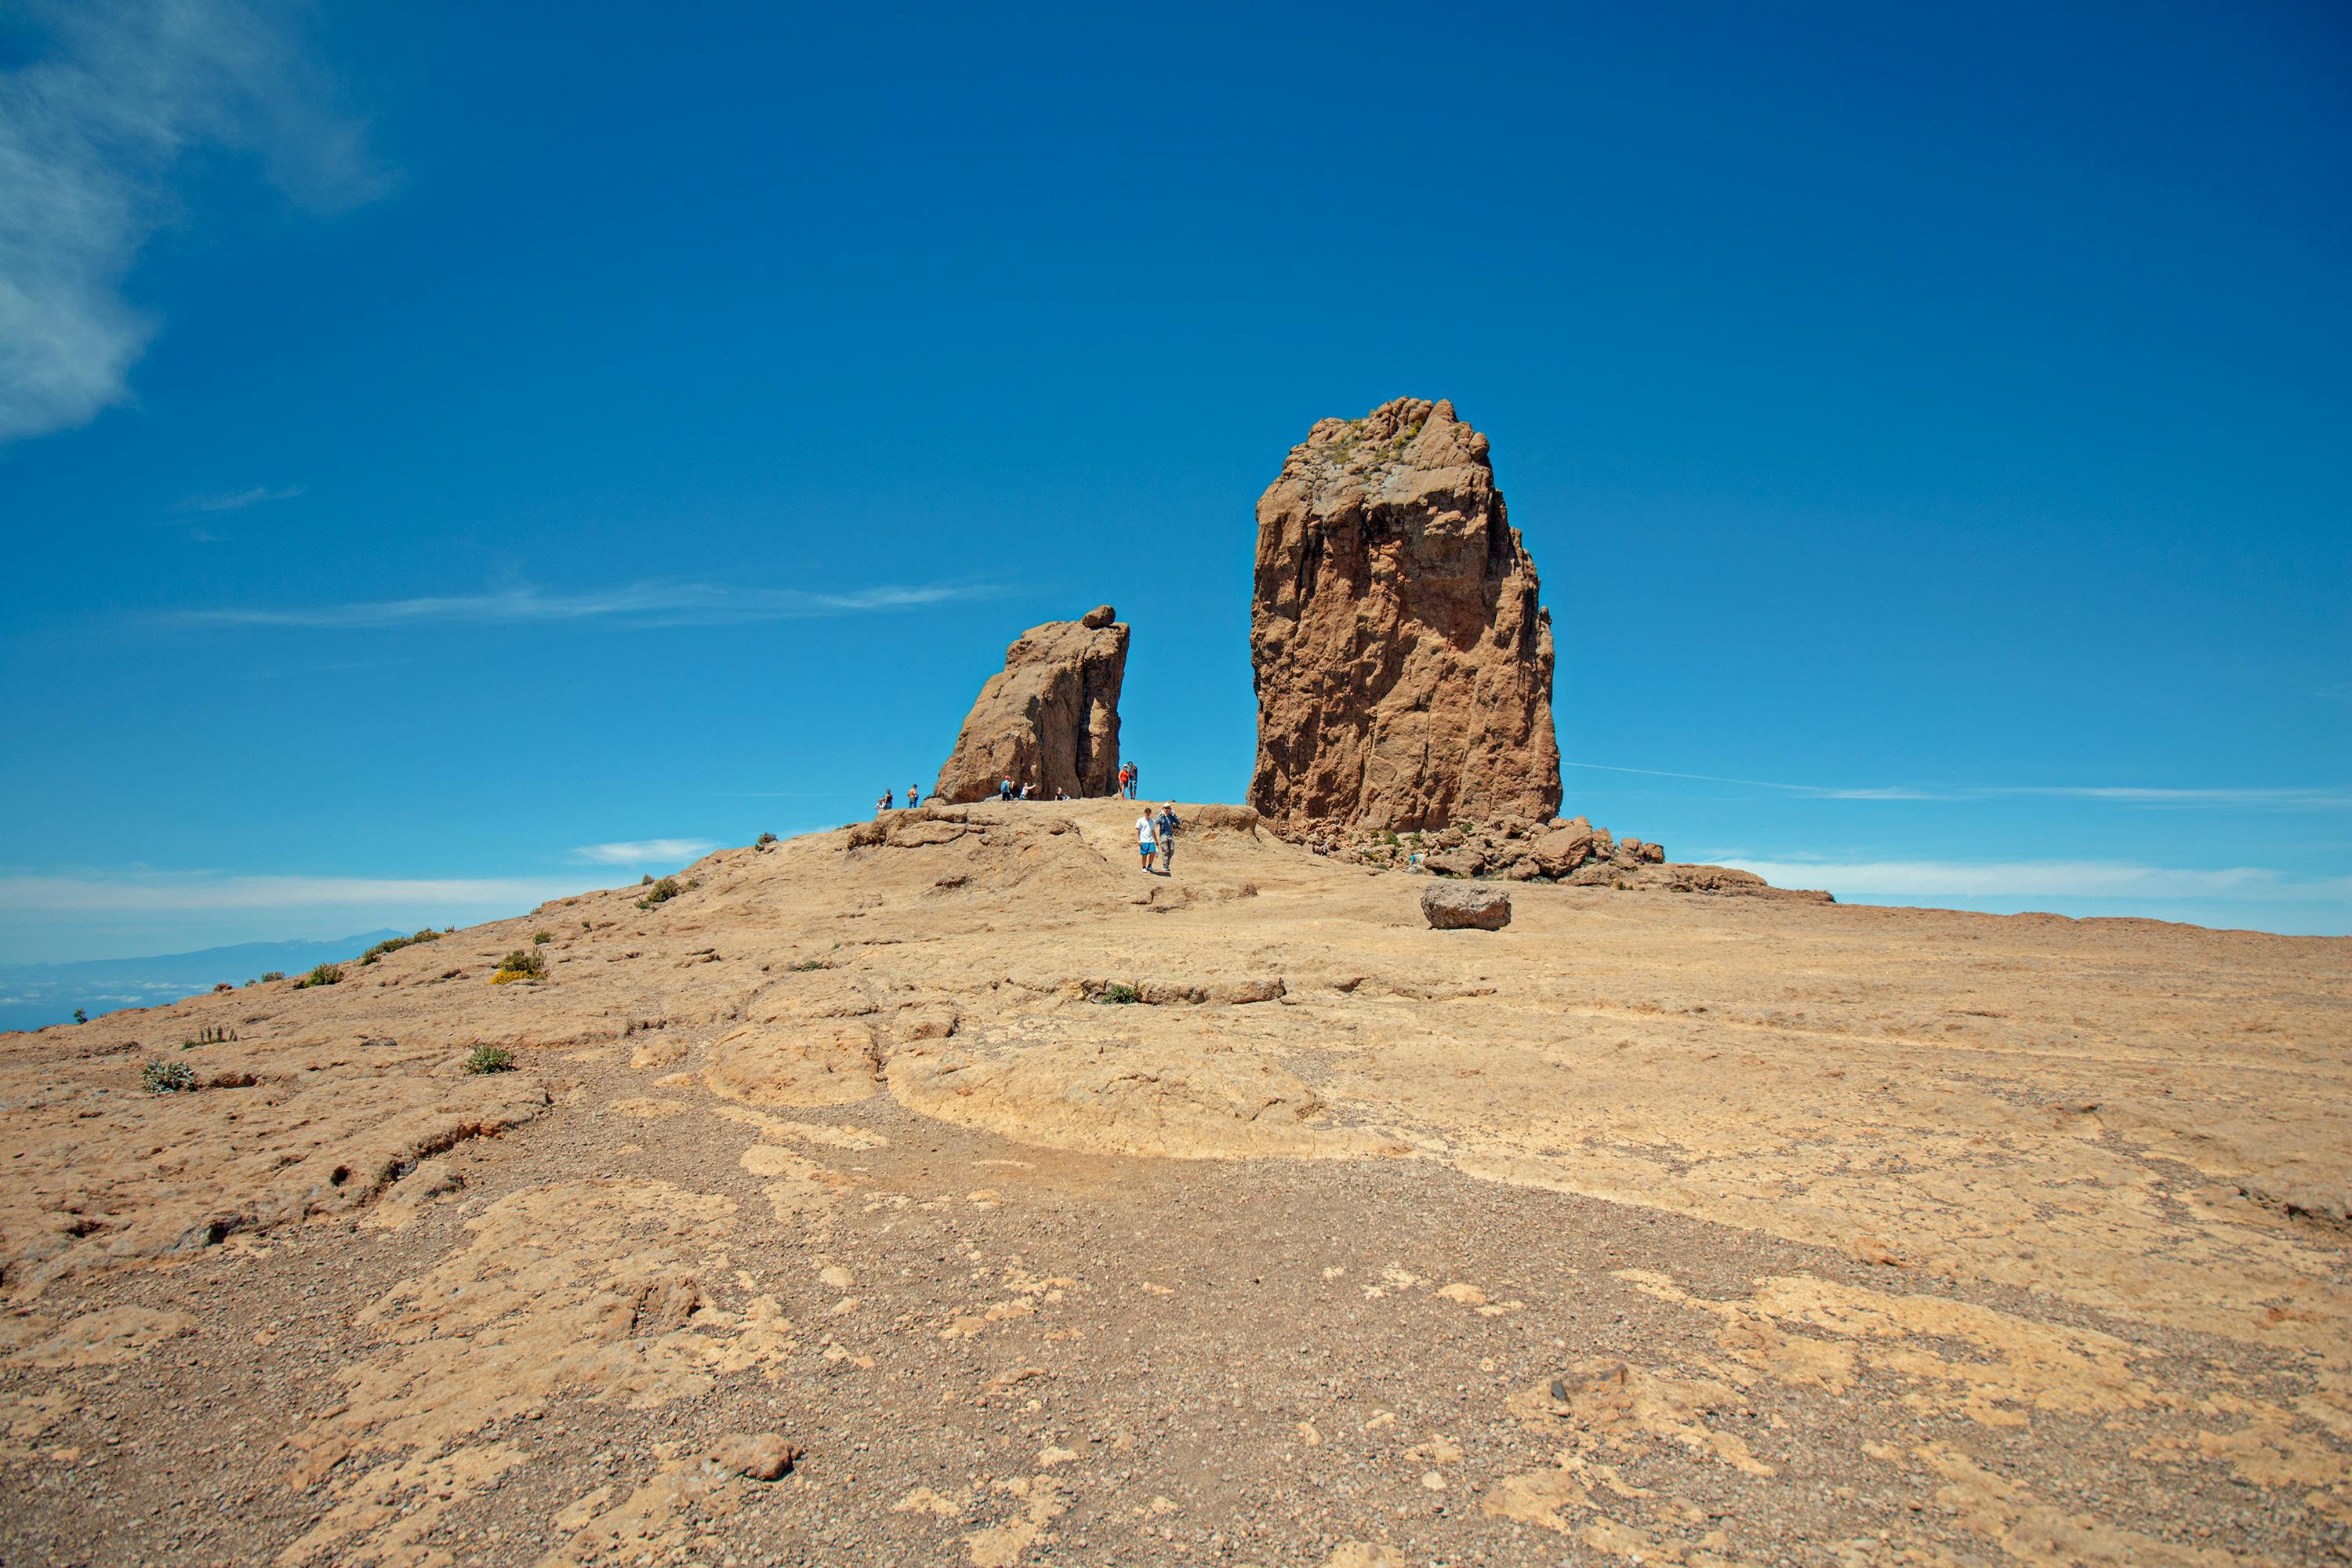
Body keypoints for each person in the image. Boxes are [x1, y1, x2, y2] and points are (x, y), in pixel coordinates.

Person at [1154, 800, 1181, 873]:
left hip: (1170, 834)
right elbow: (1156, 822)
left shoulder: (1171, 816)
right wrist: (1162, 815)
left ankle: (1166, 864)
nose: (1167, 809)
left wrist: (1174, 815)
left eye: (1168, 808)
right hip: (1163, 835)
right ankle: (1165, 865)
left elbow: (1178, 822)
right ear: (1163, 808)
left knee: (1172, 850)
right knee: (1165, 850)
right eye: (1166, 808)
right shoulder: (1161, 815)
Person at [1135, 808, 1157, 873]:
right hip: (1143, 840)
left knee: (1153, 852)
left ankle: (1149, 866)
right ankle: (1144, 867)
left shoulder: (1152, 821)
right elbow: (1137, 830)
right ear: (1144, 813)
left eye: (1149, 813)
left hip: (1151, 840)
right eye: (1147, 813)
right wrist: (1138, 840)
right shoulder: (1140, 820)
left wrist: (1156, 840)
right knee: (1144, 854)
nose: (1148, 814)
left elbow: (1153, 831)